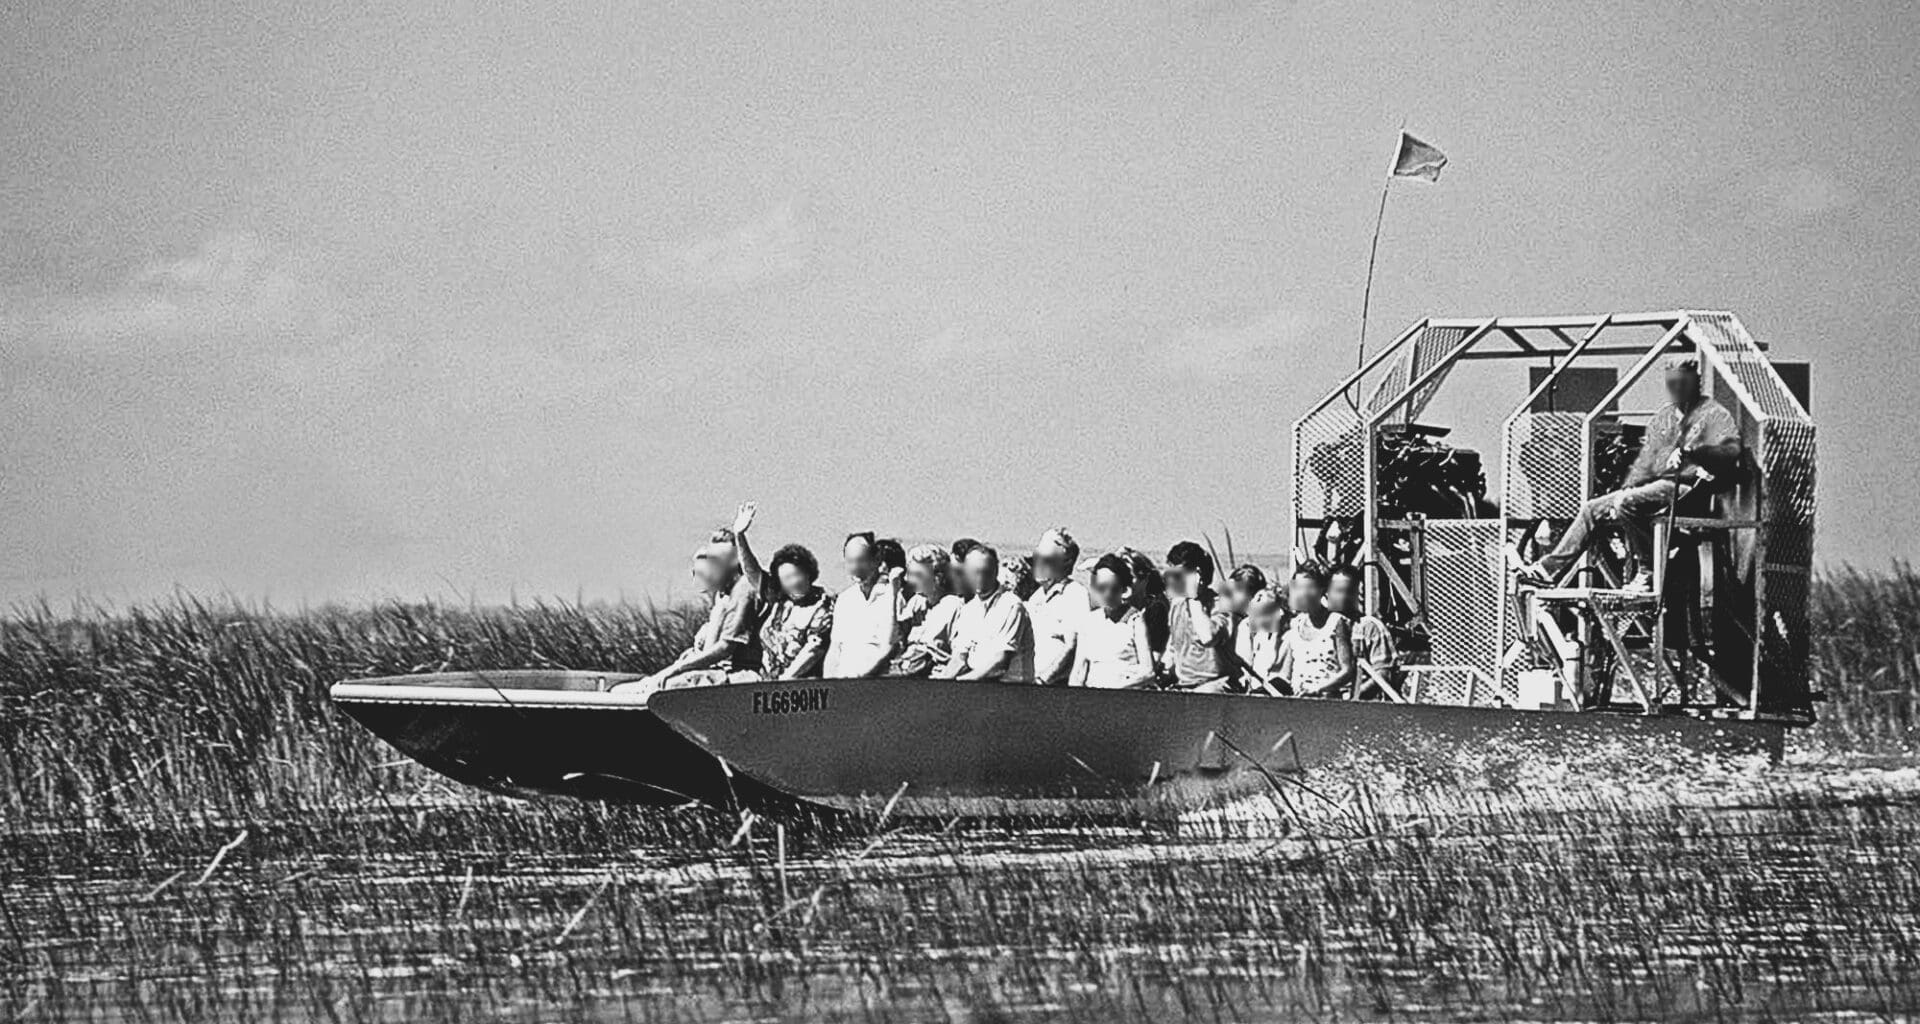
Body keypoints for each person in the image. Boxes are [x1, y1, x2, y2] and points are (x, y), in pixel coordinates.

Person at [1523, 354, 1742, 591]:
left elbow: (1731, 450)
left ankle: (1648, 571)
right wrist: (1629, 484)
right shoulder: (1665, 417)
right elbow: (1645, 461)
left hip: (1688, 490)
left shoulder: (1714, 414)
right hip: (1657, 486)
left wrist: (1696, 454)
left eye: (1683, 382)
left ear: (1695, 382)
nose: (1677, 389)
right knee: (1592, 508)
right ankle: (1547, 571)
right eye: (1672, 383)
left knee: (1625, 503)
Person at [618, 526, 764, 693]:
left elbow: (725, 649)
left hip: (737, 676)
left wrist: (677, 669)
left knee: (663, 687)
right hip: (715, 671)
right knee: (627, 689)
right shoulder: (723, 595)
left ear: (734, 561)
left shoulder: (743, 591)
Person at [728, 503, 834, 681]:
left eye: (797, 575)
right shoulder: (779, 599)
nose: (794, 582)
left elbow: (814, 650)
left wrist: (785, 680)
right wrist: (740, 536)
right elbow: (753, 572)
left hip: (804, 684)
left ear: (809, 573)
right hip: (768, 680)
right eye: (787, 578)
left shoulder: (824, 605)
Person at [938, 545, 1037, 683]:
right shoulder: (969, 610)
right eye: (975, 572)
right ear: (966, 572)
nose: (981, 577)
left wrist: (962, 682)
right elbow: (959, 658)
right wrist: (941, 684)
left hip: (1012, 689)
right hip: (980, 686)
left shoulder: (1011, 605)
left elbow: (1000, 661)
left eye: (986, 572)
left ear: (996, 571)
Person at [1070, 553, 1156, 689]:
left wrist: (1116, 688)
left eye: (1113, 588)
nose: (1107, 594)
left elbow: (1148, 672)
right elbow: (1079, 671)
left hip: (1124, 697)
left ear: (1123, 589)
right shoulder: (1088, 622)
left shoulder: (1135, 620)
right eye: (1101, 588)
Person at [1162, 541, 1235, 692]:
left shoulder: (1221, 605)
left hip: (1213, 684)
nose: (1170, 581)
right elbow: (1174, 647)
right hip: (1183, 684)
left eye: (1176, 575)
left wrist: (1193, 596)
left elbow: (1207, 638)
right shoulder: (1178, 605)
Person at [823, 532, 898, 678]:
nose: (855, 567)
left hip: (875, 685)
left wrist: (861, 678)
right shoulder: (845, 600)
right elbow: (835, 648)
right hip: (843, 684)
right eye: (850, 562)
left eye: (861, 561)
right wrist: (828, 683)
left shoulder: (892, 596)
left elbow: (889, 647)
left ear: (876, 560)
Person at [1027, 527, 1092, 686]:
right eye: (1037, 557)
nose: (1039, 564)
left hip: (1054, 686)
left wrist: (1043, 680)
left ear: (1065, 562)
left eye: (1047, 559)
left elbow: (1072, 646)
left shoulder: (1075, 595)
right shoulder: (1036, 598)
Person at [1278, 565, 1354, 698]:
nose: (1304, 593)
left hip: (1326, 702)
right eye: (1300, 588)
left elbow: (1347, 671)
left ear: (1322, 590)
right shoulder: (1295, 624)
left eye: (1310, 588)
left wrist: (1317, 689)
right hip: (1298, 701)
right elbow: (1286, 673)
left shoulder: (1336, 622)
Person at [1326, 564, 1399, 698]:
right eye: (1339, 591)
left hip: (1359, 704)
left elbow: (1383, 674)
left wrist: (1353, 697)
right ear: (1327, 593)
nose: (1344, 597)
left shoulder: (1370, 627)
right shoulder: (1317, 629)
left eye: (1349, 591)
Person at [893, 544, 964, 676]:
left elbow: (959, 655)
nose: (910, 580)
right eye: (909, 574)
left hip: (934, 678)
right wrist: (893, 595)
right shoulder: (916, 602)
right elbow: (896, 639)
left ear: (938, 577)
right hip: (907, 673)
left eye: (918, 575)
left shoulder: (952, 606)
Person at [1117, 546, 1170, 673]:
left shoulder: (1155, 609)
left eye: (1129, 578)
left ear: (1144, 579)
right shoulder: (1116, 606)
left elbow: (1156, 655)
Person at [1234, 587, 1287, 695]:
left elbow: (1273, 662)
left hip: (1275, 685)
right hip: (1253, 687)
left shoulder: (1284, 628)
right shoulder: (1246, 626)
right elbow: (1244, 658)